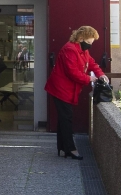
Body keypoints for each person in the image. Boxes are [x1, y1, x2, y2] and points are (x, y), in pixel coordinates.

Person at [44, 26, 109, 160]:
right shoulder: (70, 49)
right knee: (66, 118)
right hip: (61, 89)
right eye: (89, 42)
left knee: (64, 118)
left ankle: (63, 147)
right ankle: (70, 148)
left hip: (65, 89)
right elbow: (72, 72)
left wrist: (100, 74)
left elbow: (91, 63)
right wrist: (90, 78)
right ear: (81, 38)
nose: (90, 45)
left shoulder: (81, 50)